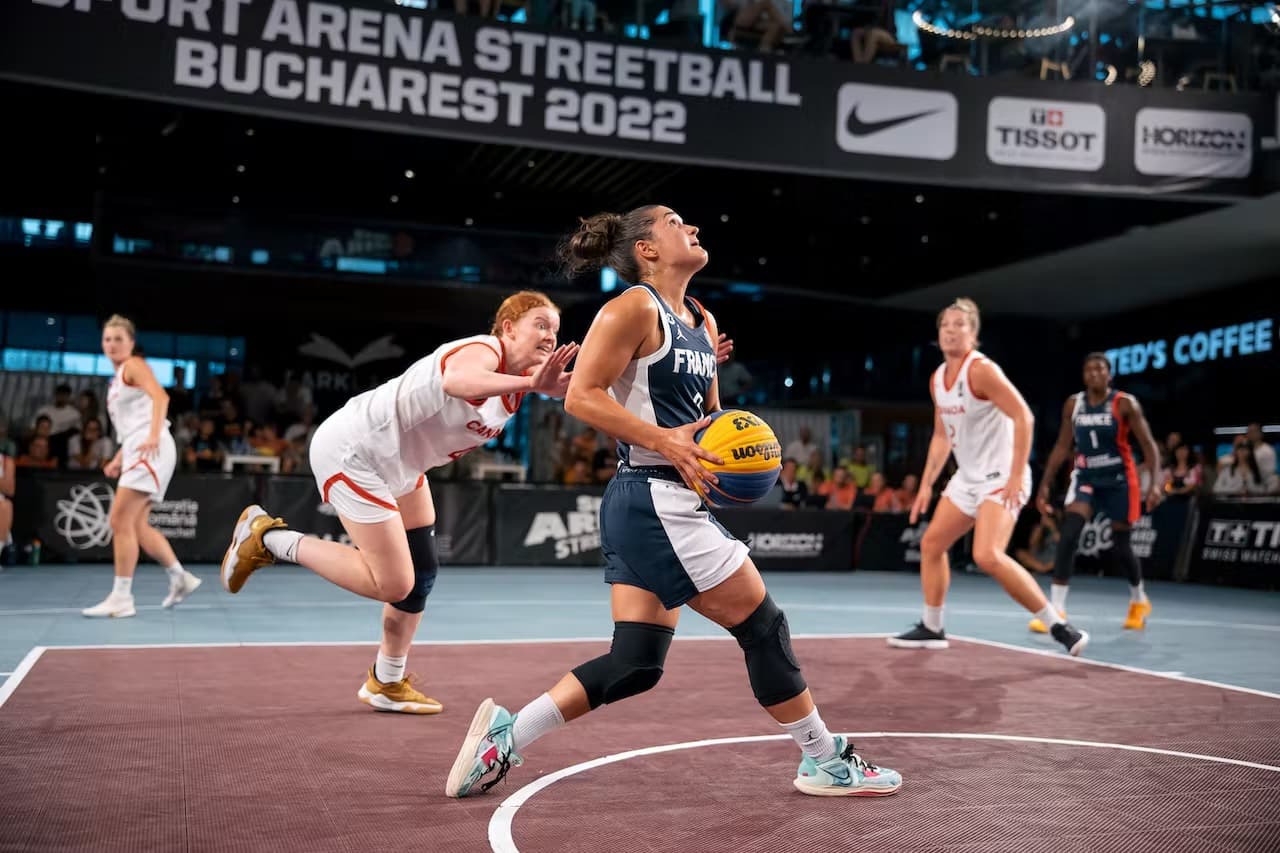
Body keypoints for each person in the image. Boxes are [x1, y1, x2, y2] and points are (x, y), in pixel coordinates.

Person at [445, 205, 901, 800]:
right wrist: (667, 440)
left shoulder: (702, 321)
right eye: (674, 222)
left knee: (636, 662)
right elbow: (582, 396)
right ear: (647, 249)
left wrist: (733, 444)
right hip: (653, 494)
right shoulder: (633, 307)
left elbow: (709, 422)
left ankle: (506, 735)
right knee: (764, 627)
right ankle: (825, 759)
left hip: (659, 501)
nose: (693, 229)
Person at [219, 291, 579, 716]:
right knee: (394, 584)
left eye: (554, 330)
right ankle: (270, 538)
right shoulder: (482, 350)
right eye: (540, 324)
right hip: (357, 451)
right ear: (508, 327)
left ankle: (386, 681)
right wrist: (530, 383)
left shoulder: (519, 388)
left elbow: (586, 391)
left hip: (400, 466)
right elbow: (456, 382)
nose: (549, 336)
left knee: (422, 570)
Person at [889, 299, 1089, 656]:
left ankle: (1058, 625)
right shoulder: (938, 379)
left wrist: (1015, 475)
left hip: (1001, 475)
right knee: (932, 545)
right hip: (968, 477)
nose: (951, 330)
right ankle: (933, 627)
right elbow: (940, 435)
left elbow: (1024, 417)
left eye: (959, 325)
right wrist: (925, 485)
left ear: (973, 334)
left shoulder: (981, 371)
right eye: (945, 324)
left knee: (987, 555)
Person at [1034, 353, 1164, 632]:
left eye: (1099, 368)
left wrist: (1154, 483)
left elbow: (1149, 445)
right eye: (1088, 369)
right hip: (1086, 476)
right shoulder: (1074, 404)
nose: (1093, 373)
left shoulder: (1125, 403)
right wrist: (1045, 483)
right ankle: (1056, 610)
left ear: (1109, 374)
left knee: (1121, 546)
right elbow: (1061, 445)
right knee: (1069, 535)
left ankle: (1138, 599)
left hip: (1119, 479)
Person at [83, 315, 202, 618]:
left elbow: (160, 397)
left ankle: (121, 598)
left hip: (151, 447)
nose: (112, 344)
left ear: (131, 343)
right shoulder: (118, 378)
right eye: (107, 339)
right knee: (136, 524)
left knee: (119, 521)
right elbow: (132, 425)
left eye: (118, 339)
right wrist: (118, 459)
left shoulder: (134, 365)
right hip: (140, 447)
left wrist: (151, 436)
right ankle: (180, 577)